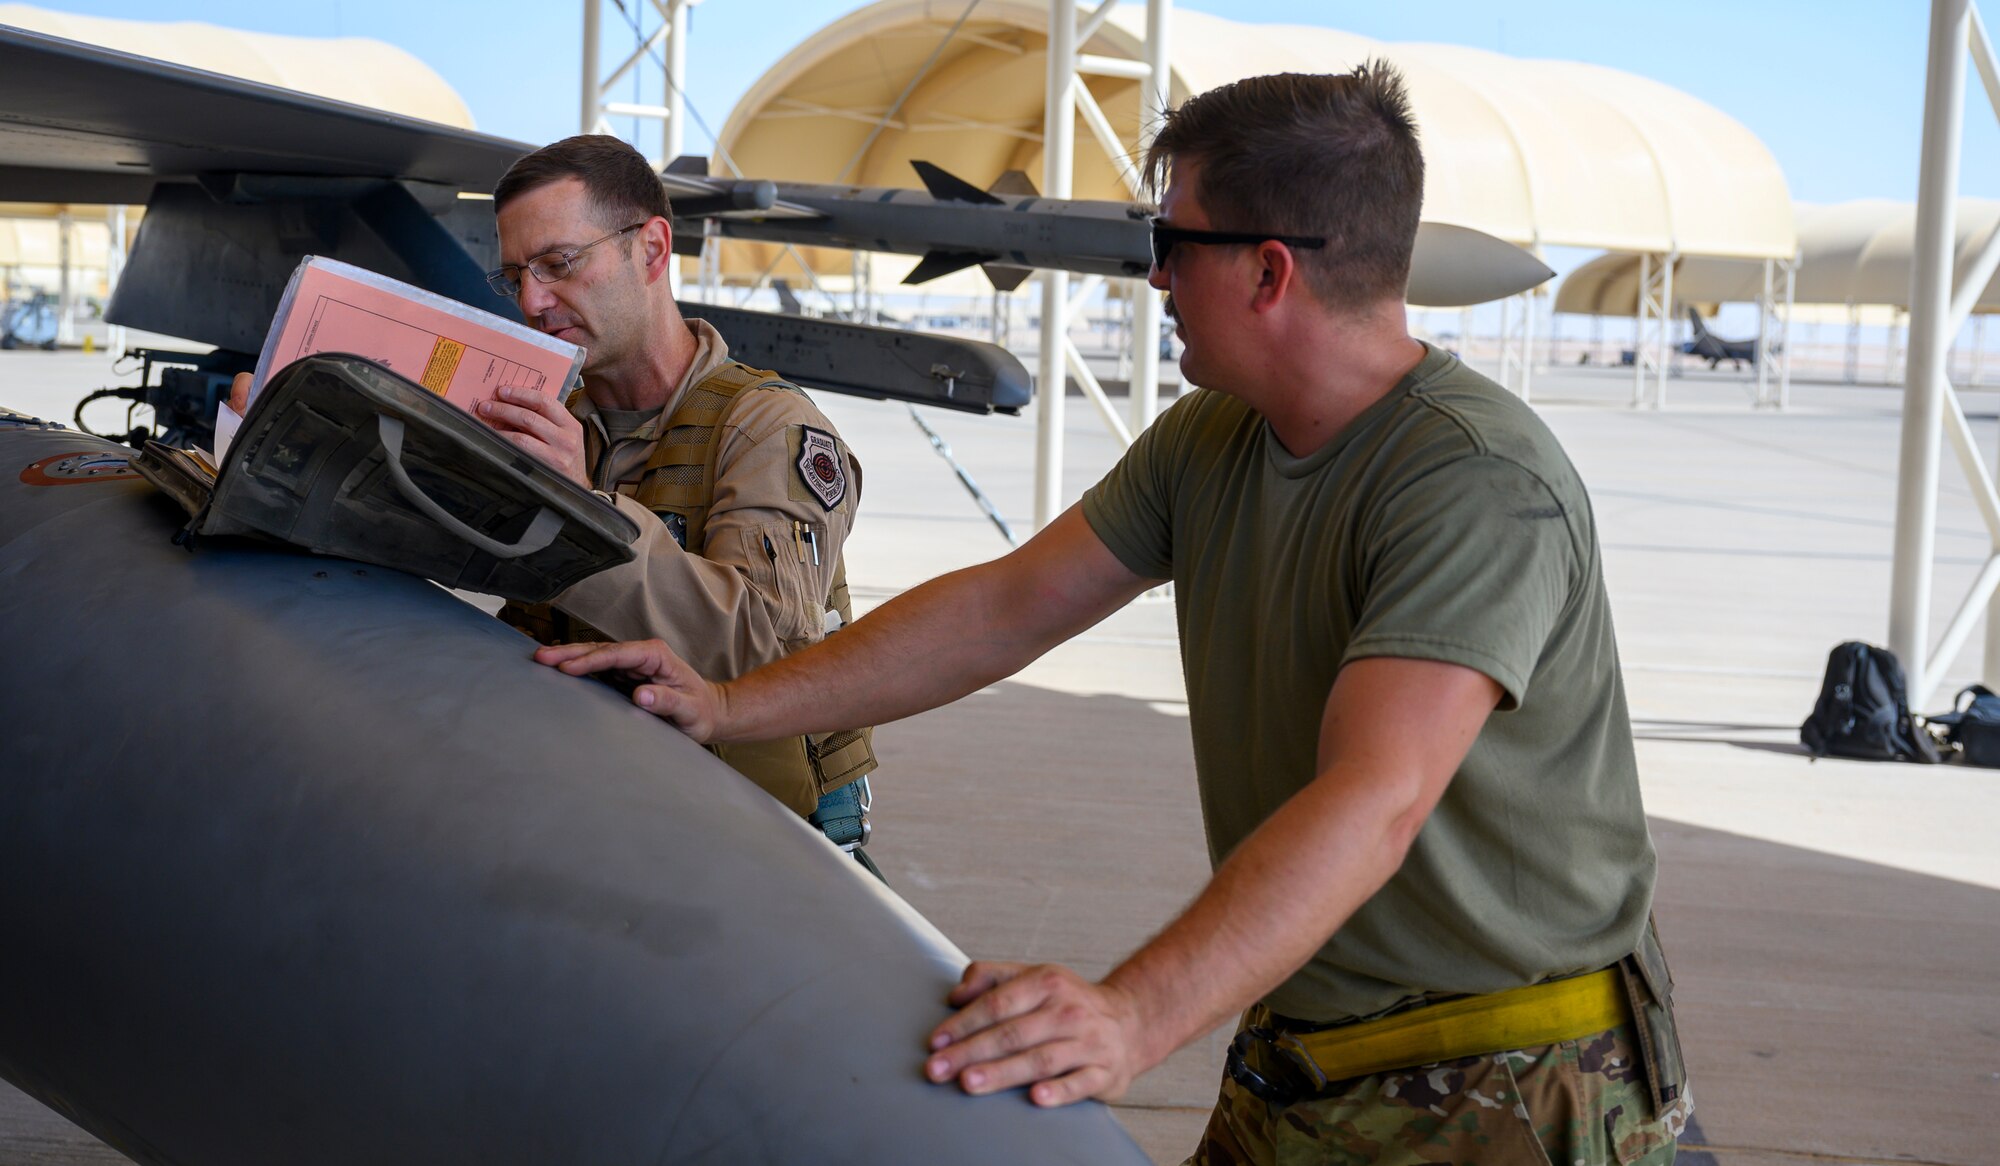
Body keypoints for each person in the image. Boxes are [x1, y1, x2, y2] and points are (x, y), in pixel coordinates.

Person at [535, 67, 1689, 1165]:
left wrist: (1130, 1016)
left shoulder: (1474, 480)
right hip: (1303, 1043)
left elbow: (1373, 797)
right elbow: (1003, 606)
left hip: (1507, 1081)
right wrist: (730, 701)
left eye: (1169, 244)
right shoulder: (1213, 437)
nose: (1152, 280)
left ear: (1268, 271)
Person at [232, 135, 879, 864]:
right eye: (517, 277)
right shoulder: (545, 416)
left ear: (653, 250)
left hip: (763, 835)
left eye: (561, 265)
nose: (534, 303)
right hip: (599, 803)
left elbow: (765, 650)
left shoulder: (768, 428)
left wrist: (579, 508)